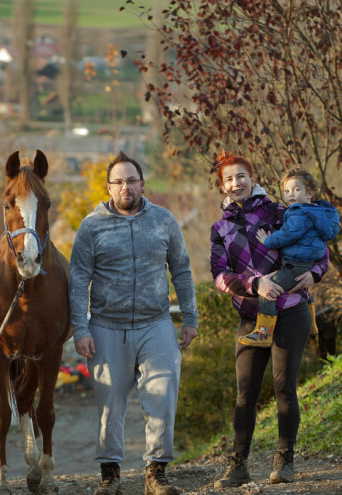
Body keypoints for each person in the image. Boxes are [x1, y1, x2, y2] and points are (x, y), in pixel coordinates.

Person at [69, 151, 199, 495]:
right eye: (118, 181)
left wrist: (190, 317)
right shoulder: (91, 226)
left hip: (155, 323)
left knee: (162, 395)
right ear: (109, 187)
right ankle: (110, 475)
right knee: (109, 404)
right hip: (106, 326)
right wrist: (80, 329)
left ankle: (156, 473)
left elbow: (182, 270)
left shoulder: (164, 220)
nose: (125, 186)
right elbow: (79, 279)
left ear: (142, 184)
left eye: (131, 180)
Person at [209, 152, 329, 487]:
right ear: (223, 186)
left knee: (284, 387)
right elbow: (220, 275)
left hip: (291, 309)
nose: (236, 183)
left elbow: (318, 245)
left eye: (241, 176)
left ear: (252, 177)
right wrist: (254, 284)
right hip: (251, 316)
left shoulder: (281, 211)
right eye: (229, 179)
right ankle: (238, 464)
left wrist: (315, 274)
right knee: (245, 393)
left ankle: (284, 460)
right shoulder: (221, 228)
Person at [239, 167, 339, 346]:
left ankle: (263, 334)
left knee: (268, 292)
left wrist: (267, 240)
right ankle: (312, 325)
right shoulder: (318, 212)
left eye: (296, 189)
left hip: (295, 263)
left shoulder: (299, 213)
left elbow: (287, 235)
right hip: (307, 263)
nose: (290, 194)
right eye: (287, 191)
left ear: (310, 193)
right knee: (303, 290)